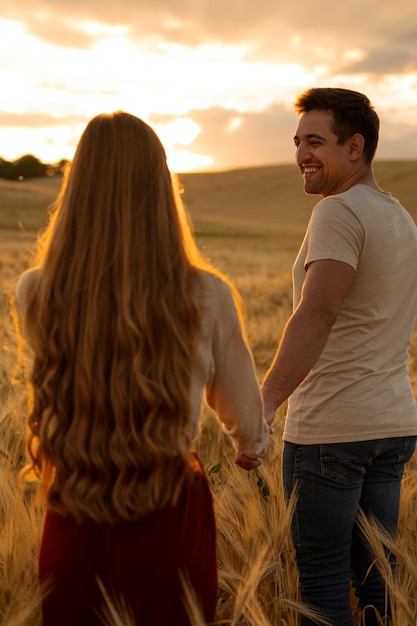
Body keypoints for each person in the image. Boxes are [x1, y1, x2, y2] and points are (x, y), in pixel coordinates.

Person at [16, 111, 270, 626]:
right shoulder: (207, 294)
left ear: (76, 185)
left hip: (74, 508)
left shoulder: (35, 290)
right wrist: (252, 448)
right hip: (168, 515)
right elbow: (243, 414)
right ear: (161, 186)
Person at [262, 87, 417, 626]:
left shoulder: (339, 211)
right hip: (392, 423)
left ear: (356, 146)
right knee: (380, 582)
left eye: (315, 141)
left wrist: (265, 402)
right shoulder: (399, 217)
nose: (301, 153)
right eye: (298, 141)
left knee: (323, 581)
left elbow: (317, 313)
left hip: (332, 427)